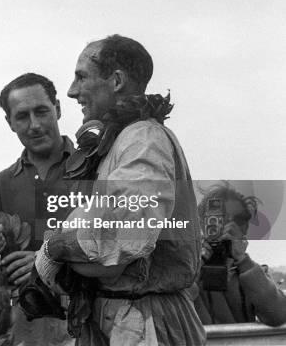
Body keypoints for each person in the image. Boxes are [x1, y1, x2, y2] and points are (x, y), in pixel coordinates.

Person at [34, 35, 205, 345]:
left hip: (144, 320)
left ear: (116, 81)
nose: (73, 91)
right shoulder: (127, 140)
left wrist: (54, 248)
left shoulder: (143, 139)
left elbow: (123, 239)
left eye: (82, 76)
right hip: (127, 314)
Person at [0, 73, 76, 346]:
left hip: (86, 323)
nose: (34, 125)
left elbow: (114, 244)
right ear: (10, 123)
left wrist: (45, 261)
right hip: (23, 330)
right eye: (22, 116)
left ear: (58, 109)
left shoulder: (94, 170)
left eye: (42, 112)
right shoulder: (3, 183)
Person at [193, 183, 286, 326]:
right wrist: (203, 256)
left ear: (246, 227)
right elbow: (172, 304)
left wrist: (243, 260)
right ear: (202, 223)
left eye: (239, 219)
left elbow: (278, 315)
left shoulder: (252, 275)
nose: (229, 227)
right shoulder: (185, 272)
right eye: (219, 218)